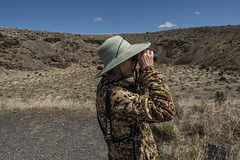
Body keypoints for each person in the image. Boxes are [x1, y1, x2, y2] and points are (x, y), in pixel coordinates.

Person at [95, 35, 175, 160]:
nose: (135, 61)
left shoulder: (109, 84)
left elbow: (137, 96)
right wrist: (150, 71)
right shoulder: (117, 97)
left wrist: (142, 72)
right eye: (131, 58)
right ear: (117, 64)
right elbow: (165, 110)